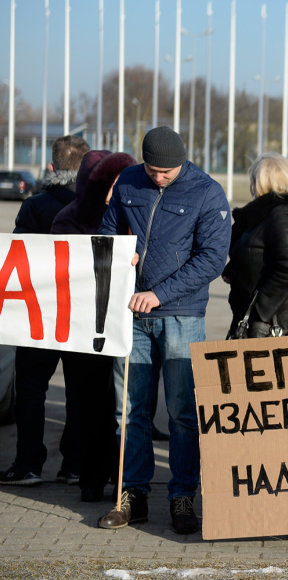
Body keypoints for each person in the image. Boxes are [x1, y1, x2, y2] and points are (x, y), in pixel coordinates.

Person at [96, 126, 231, 534]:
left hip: (181, 317)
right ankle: (131, 496)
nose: (159, 178)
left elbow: (211, 260)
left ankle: (182, 497)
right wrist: (123, 255)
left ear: (182, 163)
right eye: (153, 171)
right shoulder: (128, 182)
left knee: (182, 413)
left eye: (167, 173)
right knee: (129, 410)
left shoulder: (207, 192)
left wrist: (158, 293)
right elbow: (106, 233)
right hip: (130, 317)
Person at [0, 135, 90, 487]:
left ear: (52, 167)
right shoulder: (95, 207)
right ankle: (75, 464)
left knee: (32, 389)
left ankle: (28, 465)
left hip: (38, 316)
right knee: (80, 392)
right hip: (82, 315)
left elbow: (19, 257)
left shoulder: (35, 206)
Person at [50, 149, 137, 502]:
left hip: (123, 324)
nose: (119, 187)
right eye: (112, 181)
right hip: (81, 328)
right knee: (85, 403)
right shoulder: (68, 219)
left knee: (121, 404)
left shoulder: (133, 212)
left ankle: (121, 476)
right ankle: (89, 476)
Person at [224, 152, 288, 338]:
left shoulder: (281, 215)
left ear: (263, 181)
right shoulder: (259, 215)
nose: (250, 186)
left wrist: (261, 310)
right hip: (250, 316)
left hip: (272, 321)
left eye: (253, 179)